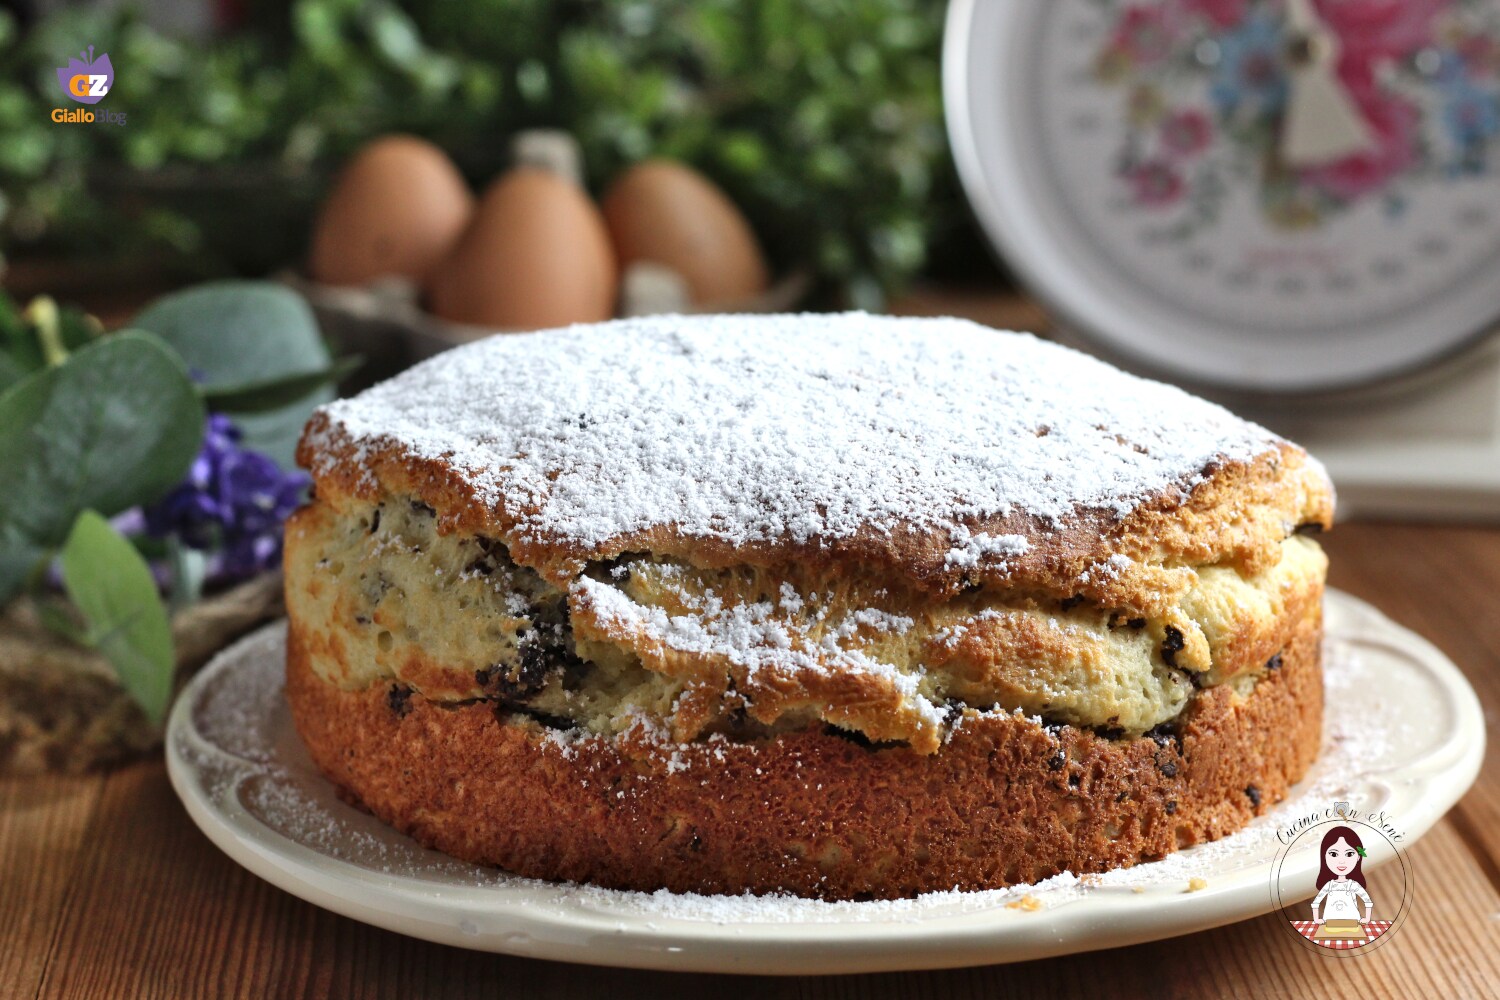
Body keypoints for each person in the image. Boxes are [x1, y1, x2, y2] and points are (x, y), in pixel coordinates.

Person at [1311, 825, 1374, 925]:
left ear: (1358, 856)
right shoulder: (1329, 885)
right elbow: (1315, 903)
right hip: (1330, 923)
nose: (1341, 861)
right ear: (1324, 856)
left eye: (1349, 854)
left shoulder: (1353, 885)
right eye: (1334, 854)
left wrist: (1366, 918)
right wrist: (1317, 919)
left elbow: (1368, 901)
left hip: (1352, 923)